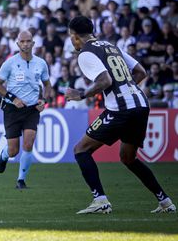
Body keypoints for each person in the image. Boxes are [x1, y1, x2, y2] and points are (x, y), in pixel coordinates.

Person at [64, 16, 176, 214]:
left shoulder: (86, 53)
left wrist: (80, 94)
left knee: (81, 150)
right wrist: (127, 88)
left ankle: (100, 200)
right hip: (141, 105)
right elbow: (141, 72)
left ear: (75, 37)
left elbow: (105, 80)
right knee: (128, 158)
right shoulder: (111, 46)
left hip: (121, 109)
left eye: (70, 37)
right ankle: (165, 202)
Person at [0, 30, 52, 189]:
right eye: (23, 41)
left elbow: (47, 85)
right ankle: (4, 155)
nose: (26, 44)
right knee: (13, 150)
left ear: (33, 43)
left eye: (28, 41)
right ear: (18, 44)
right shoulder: (10, 63)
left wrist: (44, 100)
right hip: (12, 109)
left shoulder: (40, 63)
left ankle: (21, 180)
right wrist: (14, 99)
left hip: (32, 108)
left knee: (29, 142)